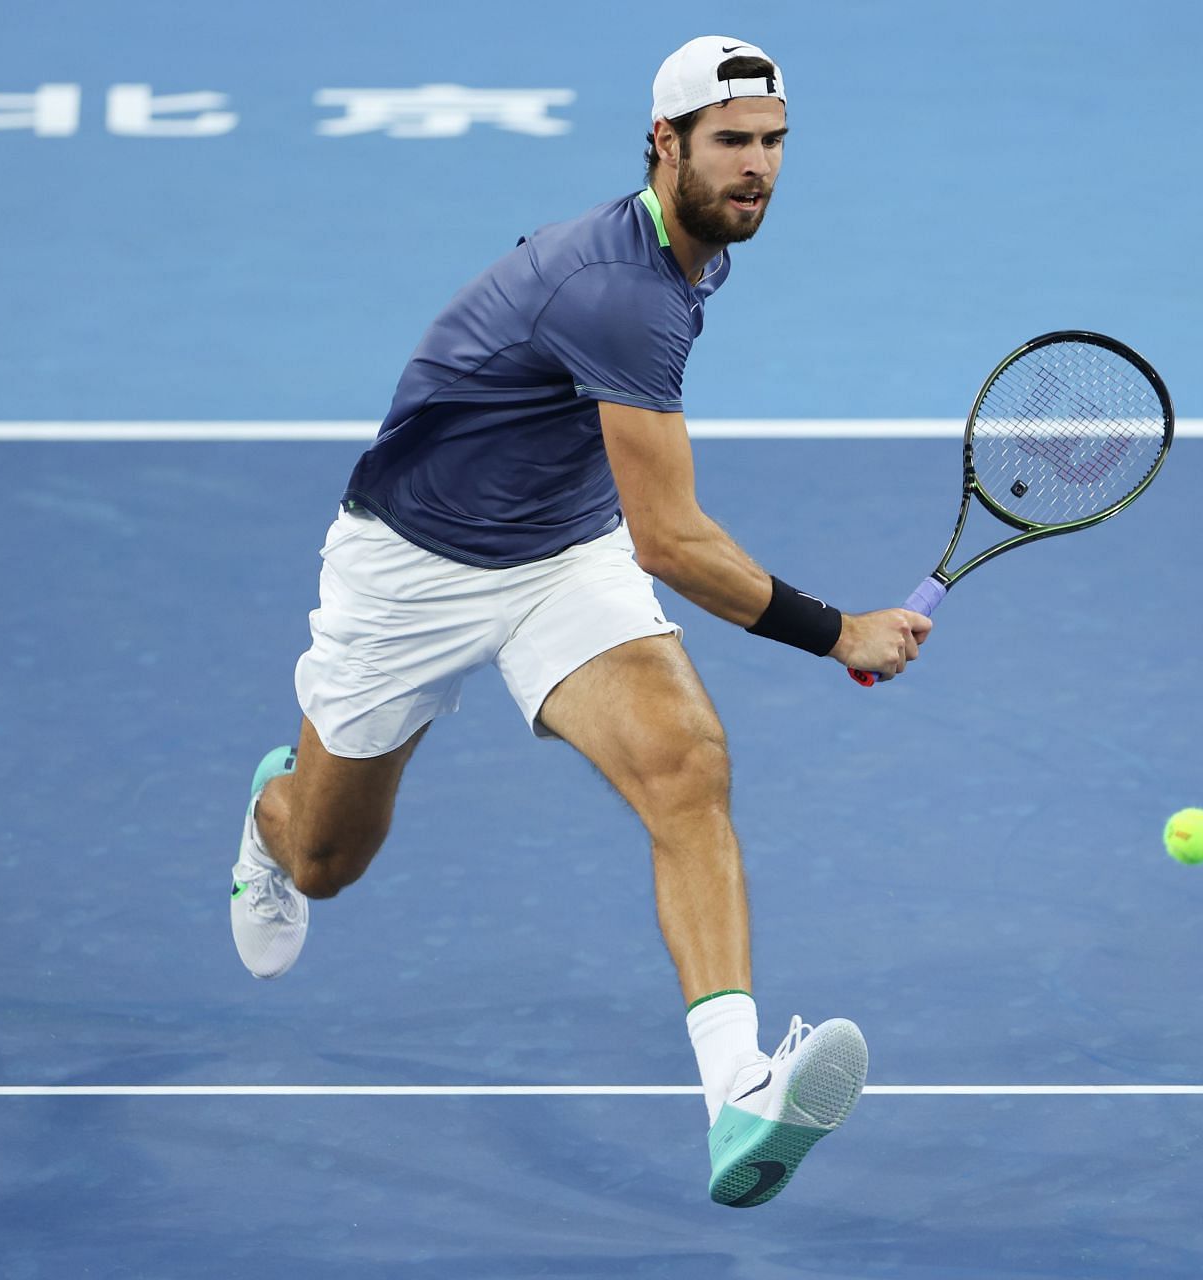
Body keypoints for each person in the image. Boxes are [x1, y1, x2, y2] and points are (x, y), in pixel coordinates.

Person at [226, 35, 930, 1209]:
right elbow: (673, 541)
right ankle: (269, 808)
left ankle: (739, 1093)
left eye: (772, 145)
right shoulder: (616, 290)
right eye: (732, 145)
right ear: (665, 144)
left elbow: (631, 524)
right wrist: (838, 631)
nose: (757, 168)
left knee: (686, 765)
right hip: (411, 569)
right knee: (326, 859)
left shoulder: (689, 247)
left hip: (561, 551)